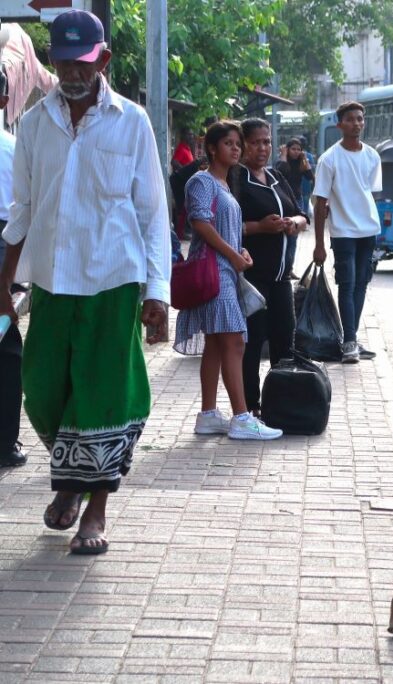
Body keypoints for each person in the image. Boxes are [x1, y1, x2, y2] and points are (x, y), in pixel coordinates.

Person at [0, 10, 170, 554]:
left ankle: (93, 507)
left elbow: (151, 212)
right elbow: (22, 210)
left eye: (83, 61)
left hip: (113, 280)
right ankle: (72, 477)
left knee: (100, 394)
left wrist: (158, 292)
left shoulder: (132, 121)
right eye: (62, 61)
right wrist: (4, 283)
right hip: (51, 281)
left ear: (104, 60)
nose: (72, 71)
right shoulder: (32, 124)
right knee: (45, 390)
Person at [173, 121, 282, 441]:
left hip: (227, 271)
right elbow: (201, 224)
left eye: (238, 144)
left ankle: (208, 414)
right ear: (211, 148)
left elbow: (225, 229)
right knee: (234, 342)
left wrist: (240, 252)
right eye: (228, 144)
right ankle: (241, 417)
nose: (236, 148)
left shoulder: (223, 184)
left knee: (218, 345)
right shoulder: (202, 182)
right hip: (215, 272)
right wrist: (233, 256)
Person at [231, 118, 308, 414]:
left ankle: (281, 401)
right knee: (251, 347)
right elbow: (224, 228)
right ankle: (250, 407)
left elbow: (301, 214)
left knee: (284, 341)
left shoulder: (276, 175)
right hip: (252, 279)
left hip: (281, 279)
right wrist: (259, 227)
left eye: (266, 142)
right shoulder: (236, 179)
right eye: (255, 142)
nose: (262, 148)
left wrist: (294, 223)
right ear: (243, 145)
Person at [312, 101, 381, 364]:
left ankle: (350, 336)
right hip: (342, 232)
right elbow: (320, 203)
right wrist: (319, 244)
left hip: (368, 230)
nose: (357, 124)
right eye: (351, 119)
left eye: (360, 119)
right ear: (339, 124)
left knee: (361, 284)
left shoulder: (372, 156)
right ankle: (350, 342)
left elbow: (370, 192)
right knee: (347, 284)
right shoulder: (329, 159)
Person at [0, 64, 25, 469]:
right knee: (5, 353)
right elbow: (16, 220)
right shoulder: (11, 147)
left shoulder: (12, 148)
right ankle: (4, 444)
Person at [275, 137, 314, 278]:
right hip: (283, 200)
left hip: (297, 201)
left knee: (293, 236)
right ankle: (281, 267)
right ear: (287, 149)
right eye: (293, 149)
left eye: (299, 149)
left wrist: (305, 159)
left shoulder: (301, 162)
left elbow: (310, 176)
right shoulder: (282, 161)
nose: (296, 152)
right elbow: (281, 172)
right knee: (282, 235)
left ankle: (289, 268)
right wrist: (284, 155)